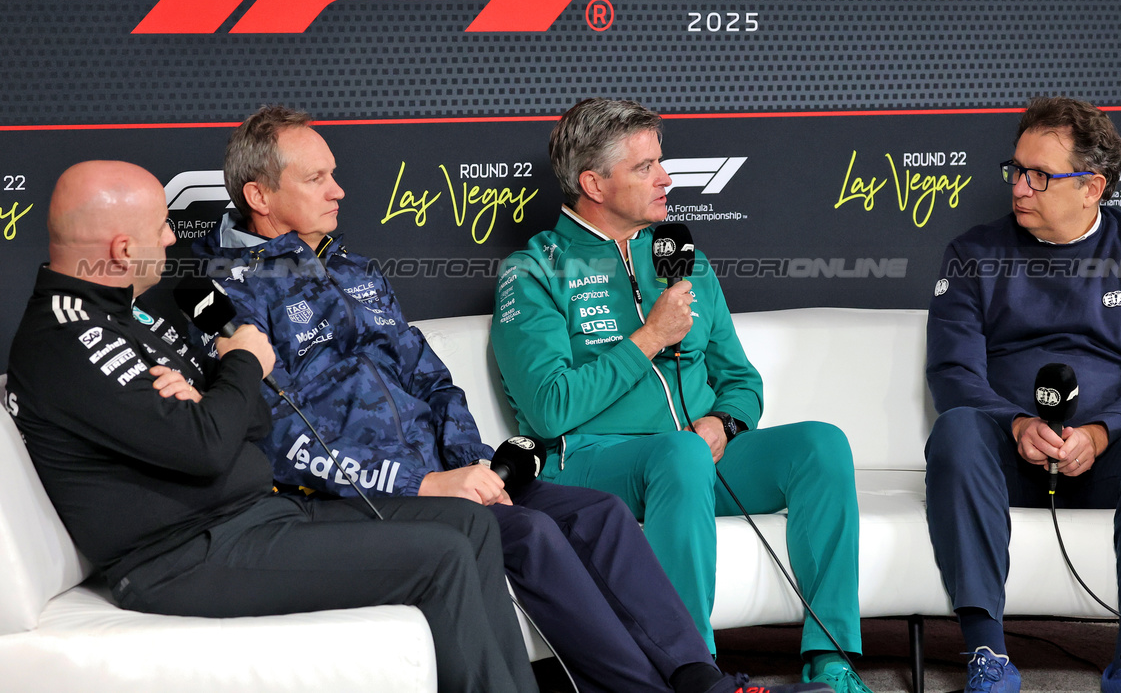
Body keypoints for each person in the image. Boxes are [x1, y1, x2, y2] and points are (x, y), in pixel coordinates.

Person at [193, 105, 825, 693]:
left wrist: (479, 468)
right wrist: (424, 486)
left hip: (450, 476)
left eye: (335, 175)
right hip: (364, 497)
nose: (339, 191)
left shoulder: (356, 271)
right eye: (318, 179)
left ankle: (700, 679)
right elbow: (281, 437)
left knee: (598, 515)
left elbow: (431, 381)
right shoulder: (228, 295)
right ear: (259, 195)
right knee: (530, 533)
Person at [6, 161, 538, 693]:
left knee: (468, 525)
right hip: (183, 556)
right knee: (441, 556)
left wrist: (217, 397)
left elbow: (252, 417)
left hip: (261, 515)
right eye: (162, 227)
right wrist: (238, 370)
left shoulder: (132, 318)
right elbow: (210, 445)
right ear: (123, 250)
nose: (171, 239)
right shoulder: (66, 338)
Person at [489, 98, 872, 693]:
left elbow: (741, 380)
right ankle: (690, 671)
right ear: (593, 182)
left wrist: (726, 422)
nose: (667, 178)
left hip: (696, 456)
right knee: (680, 454)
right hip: (592, 464)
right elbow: (547, 408)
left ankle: (833, 663)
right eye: (645, 167)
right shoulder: (535, 269)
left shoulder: (683, 259)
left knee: (820, 446)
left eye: (660, 162)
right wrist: (648, 339)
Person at [924, 97, 1121, 693]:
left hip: (1109, 456)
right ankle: (986, 656)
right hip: (1009, 455)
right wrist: (1019, 423)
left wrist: (1103, 432)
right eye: (1016, 171)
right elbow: (953, 373)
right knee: (956, 431)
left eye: (1040, 176)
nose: (1020, 188)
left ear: (1092, 187)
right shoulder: (972, 255)